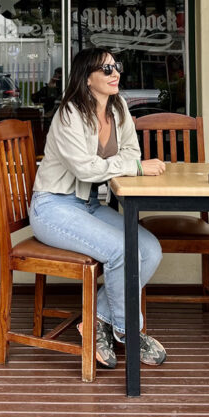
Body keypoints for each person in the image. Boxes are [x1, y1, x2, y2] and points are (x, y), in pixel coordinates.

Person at [29, 47, 168, 369]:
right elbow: (86, 170)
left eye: (115, 66)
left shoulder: (119, 109)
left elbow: (132, 152)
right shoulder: (69, 115)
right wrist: (130, 166)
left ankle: (95, 321)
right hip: (53, 207)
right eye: (105, 69)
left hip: (89, 204)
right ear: (87, 78)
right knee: (122, 250)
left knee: (149, 249)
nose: (114, 73)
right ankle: (128, 331)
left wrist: (122, 163)